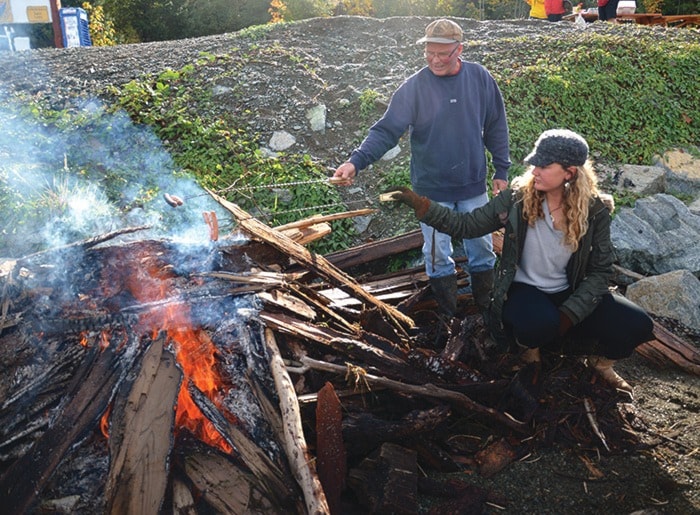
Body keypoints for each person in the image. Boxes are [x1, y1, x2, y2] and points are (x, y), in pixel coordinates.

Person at [386, 129, 654, 395]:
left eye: (544, 165)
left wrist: (570, 313)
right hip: (525, 291)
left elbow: (599, 272)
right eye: (534, 163)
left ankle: (600, 364)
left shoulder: (594, 210)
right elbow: (466, 225)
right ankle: (529, 356)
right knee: (539, 324)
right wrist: (420, 204)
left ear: (569, 173)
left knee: (638, 324)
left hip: (570, 289)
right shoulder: (516, 199)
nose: (534, 170)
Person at [332, 19, 511, 322]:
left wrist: (501, 170)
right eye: (429, 52)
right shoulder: (415, 87)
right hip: (431, 191)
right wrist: (355, 162)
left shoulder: (479, 78)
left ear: (459, 50)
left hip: (473, 188)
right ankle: (449, 318)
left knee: (482, 250)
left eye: (443, 53)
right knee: (438, 254)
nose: (435, 59)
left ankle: (486, 311)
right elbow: (386, 131)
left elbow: (496, 126)